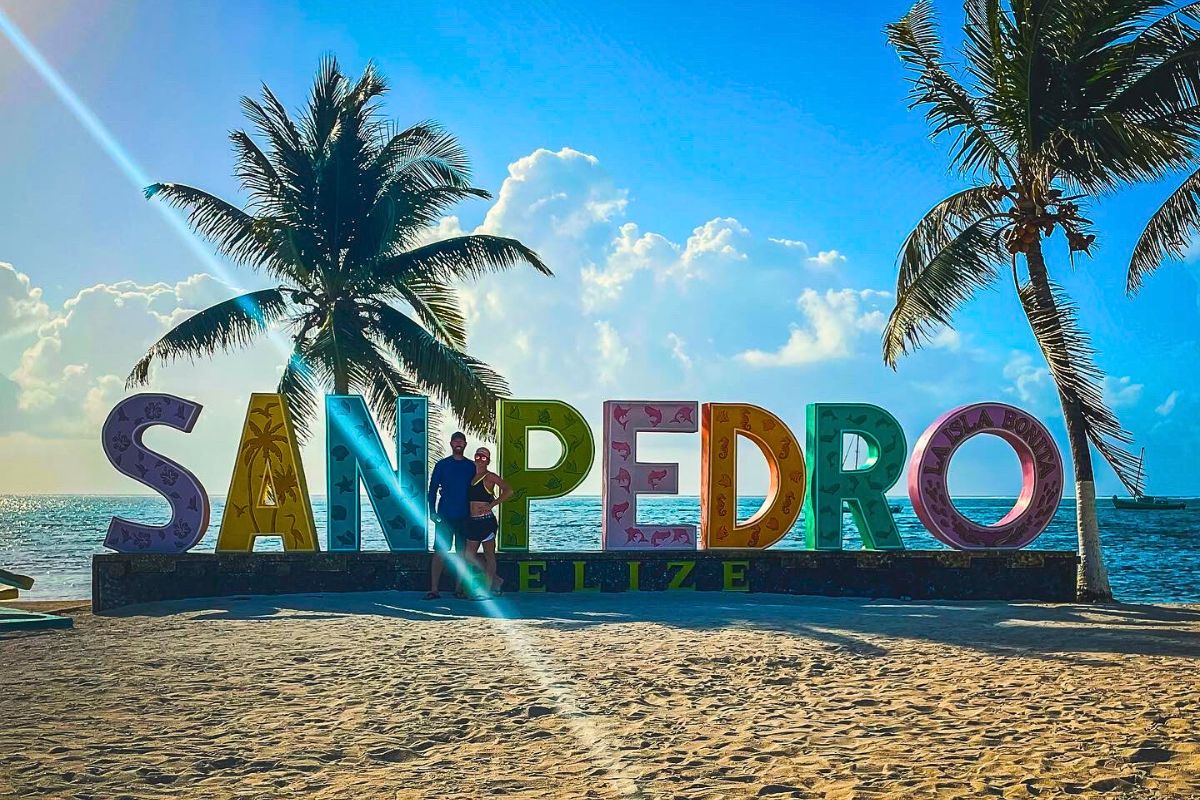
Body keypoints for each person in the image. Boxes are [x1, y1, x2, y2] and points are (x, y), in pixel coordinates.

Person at [425, 432, 476, 600]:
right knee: (440, 552)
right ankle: (434, 589)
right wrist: (431, 511)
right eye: (455, 441)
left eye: (461, 441)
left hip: (465, 516)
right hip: (445, 515)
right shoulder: (442, 465)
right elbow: (432, 490)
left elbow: (478, 491)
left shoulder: (471, 466)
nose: (458, 444)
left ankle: (459, 589)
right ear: (451, 443)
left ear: (465, 444)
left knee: (462, 553)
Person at [462, 446, 513, 598]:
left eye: (484, 457)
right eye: (478, 456)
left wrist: (492, 504)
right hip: (473, 522)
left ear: (488, 461)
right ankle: (495, 581)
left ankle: (487, 589)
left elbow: (509, 490)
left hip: (486, 522)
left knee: (489, 555)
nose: (480, 459)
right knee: (468, 556)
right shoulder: (470, 476)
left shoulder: (489, 476)